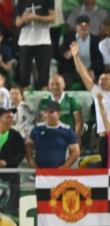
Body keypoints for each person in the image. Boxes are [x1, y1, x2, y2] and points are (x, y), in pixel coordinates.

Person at [71, 39, 110, 167]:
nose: (102, 81)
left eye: (106, 79)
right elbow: (84, 75)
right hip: (105, 137)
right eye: (100, 79)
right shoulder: (98, 93)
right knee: (105, 168)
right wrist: (76, 56)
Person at [26, 101, 80, 168]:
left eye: (51, 112)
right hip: (39, 170)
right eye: (46, 112)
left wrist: (65, 166)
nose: (48, 115)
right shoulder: (38, 128)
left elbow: (75, 151)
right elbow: (28, 145)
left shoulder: (67, 130)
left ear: (58, 113)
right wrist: (31, 161)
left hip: (58, 171)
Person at [16, 0, 56, 91]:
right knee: (24, 76)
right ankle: (24, 98)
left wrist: (35, 17)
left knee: (44, 76)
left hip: (43, 40)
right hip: (25, 41)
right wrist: (23, 19)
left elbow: (53, 18)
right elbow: (17, 22)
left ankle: (44, 97)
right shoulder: (21, 1)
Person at [59, 15, 103, 89]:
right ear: (76, 27)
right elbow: (61, 53)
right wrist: (68, 53)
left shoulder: (95, 40)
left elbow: (98, 59)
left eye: (86, 25)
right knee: (63, 81)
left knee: (97, 82)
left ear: (90, 26)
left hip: (88, 71)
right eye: (81, 25)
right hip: (72, 72)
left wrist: (92, 69)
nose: (84, 27)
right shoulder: (69, 38)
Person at [38, 75, 83, 139]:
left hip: (68, 136)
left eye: (57, 84)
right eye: (52, 84)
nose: (54, 87)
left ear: (64, 85)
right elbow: (42, 122)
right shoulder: (44, 102)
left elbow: (78, 122)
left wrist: (75, 138)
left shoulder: (72, 100)